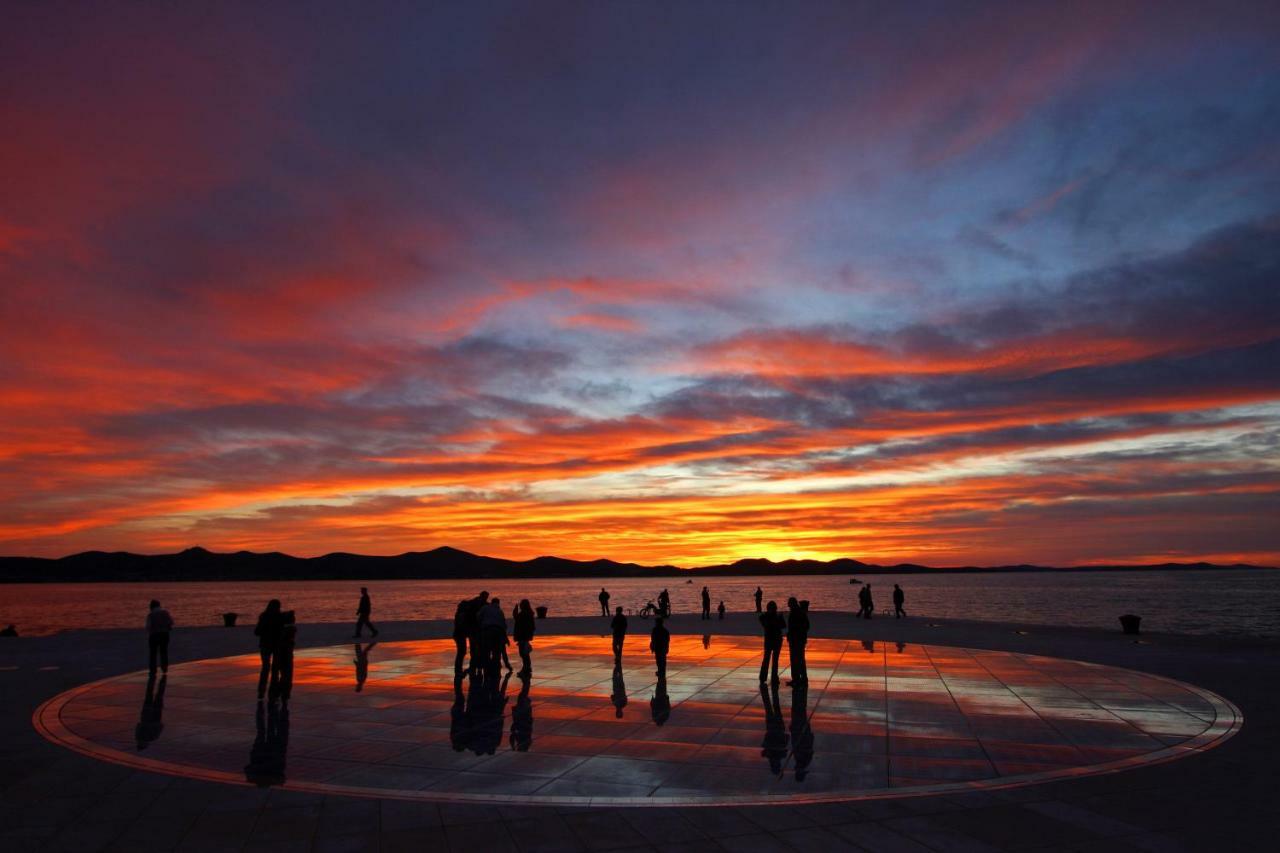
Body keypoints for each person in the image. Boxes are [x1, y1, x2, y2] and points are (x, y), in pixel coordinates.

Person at [253, 599, 284, 700]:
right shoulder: (279, 617)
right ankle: (273, 692)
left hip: (265, 645)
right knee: (275, 669)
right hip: (276, 645)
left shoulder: (264, 616)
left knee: (265, 668)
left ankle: (261, 692)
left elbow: (257, 631)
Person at [760, 682, 787, 776]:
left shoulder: (780, 754)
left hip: (776, 728)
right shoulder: (772, 754)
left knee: (774, 707)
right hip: (774, 728)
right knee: (771, 707)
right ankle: (770, 691)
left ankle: (772, 691)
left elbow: (786, 738)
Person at [478, 596, 509, 674]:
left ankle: (487, 665)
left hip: (487, 630)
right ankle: (496, 665)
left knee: (486, 649)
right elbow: (503, 625)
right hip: (498, 631)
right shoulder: (500, 611)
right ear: (498, 603)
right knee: (497, 650)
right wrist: (505, 637)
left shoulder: (485, 608)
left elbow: (478, 616)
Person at [759, 600, 786, 684]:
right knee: (768, 659)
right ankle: (765, 677)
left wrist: (779, 619)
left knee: (772, 659)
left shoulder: (770, 617)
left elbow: (783, 625)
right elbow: (764, 622)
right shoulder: (766, 617)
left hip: (775, 640)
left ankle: (770, 677)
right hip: (772, 640)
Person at [271, 621, 297, 707]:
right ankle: (283, 693)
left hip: (281, 657)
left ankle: (280, 693)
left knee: (283, 676)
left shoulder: (283, 637)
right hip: (286, 658)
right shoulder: (288, 638)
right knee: (286, 676)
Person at [145, 599, 173, 676]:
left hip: (154, 635)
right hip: (164, 634)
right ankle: (164, 668)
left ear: (151, 606)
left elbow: (148, 627)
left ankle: (153, 670)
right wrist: (167, 627)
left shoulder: (150, 615)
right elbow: (171, 622)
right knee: (163, 651)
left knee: (153, 653)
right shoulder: (165, 613)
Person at [785, 597, 809, 686]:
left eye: (789, 604)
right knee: (800, 659)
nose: (788, 606)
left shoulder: (797, 613)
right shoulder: (799, 612)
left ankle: (797, 679)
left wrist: (796, 633)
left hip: (796, 640)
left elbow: (805, 626)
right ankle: (802, 678)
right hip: (797, 639)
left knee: (795, 660)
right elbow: (805, 626)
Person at [513, 599, 536, 677]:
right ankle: (527, 668)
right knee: (525, 653)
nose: (520, 605)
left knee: (523, 653)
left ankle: (526, 668)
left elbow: (517, 619)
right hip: (526, 636)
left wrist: (515, 611)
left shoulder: (523, 614)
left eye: (521, 604)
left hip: (523, 636)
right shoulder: (529, 614)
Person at [451, 599, 470, 676]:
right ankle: (458, 669)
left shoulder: (459, 614)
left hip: (459, 634)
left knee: (461, 652)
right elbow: (461, 625)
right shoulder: (461, 614)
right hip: (460, 635)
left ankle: (458, 669)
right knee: (461, 652)